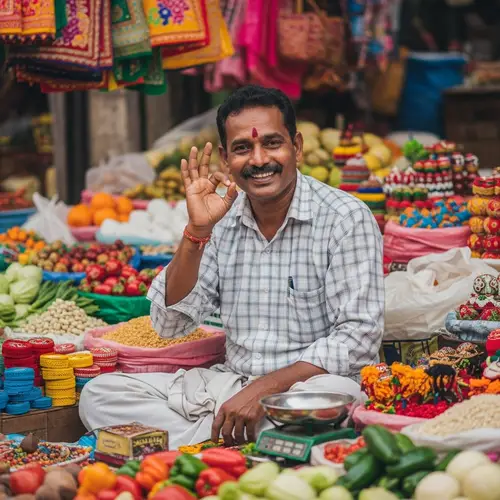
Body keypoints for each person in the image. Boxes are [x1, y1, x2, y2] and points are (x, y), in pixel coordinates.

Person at [80, 85, 384, 448]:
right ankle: (246, 439)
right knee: (100, 394)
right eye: (243, 148)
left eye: (272, 143)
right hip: (229, 384)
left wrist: (264, 391)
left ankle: (215, 438)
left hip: (308, 389)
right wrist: (197, 232)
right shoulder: (219, 220)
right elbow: (168, 323)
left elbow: (358, 339)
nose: (258, 160)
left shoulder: (345, 217)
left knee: (332, 400)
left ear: (297, 147)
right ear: (225, 159)